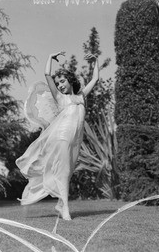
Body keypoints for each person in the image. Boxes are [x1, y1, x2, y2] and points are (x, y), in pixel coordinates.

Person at [16, 51, 99, 220]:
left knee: (66, 172)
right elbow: (47, 74)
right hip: (61, 136)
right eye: (57, 83)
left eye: (62, 81)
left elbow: (95, 79)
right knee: (64, 170)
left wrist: (96, 60)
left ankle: (60, 204)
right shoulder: (59, 97)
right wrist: (50, 57)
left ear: (71, 81)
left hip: (75, 140)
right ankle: (65, 208)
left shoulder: (81, 97)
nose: (60, 85)